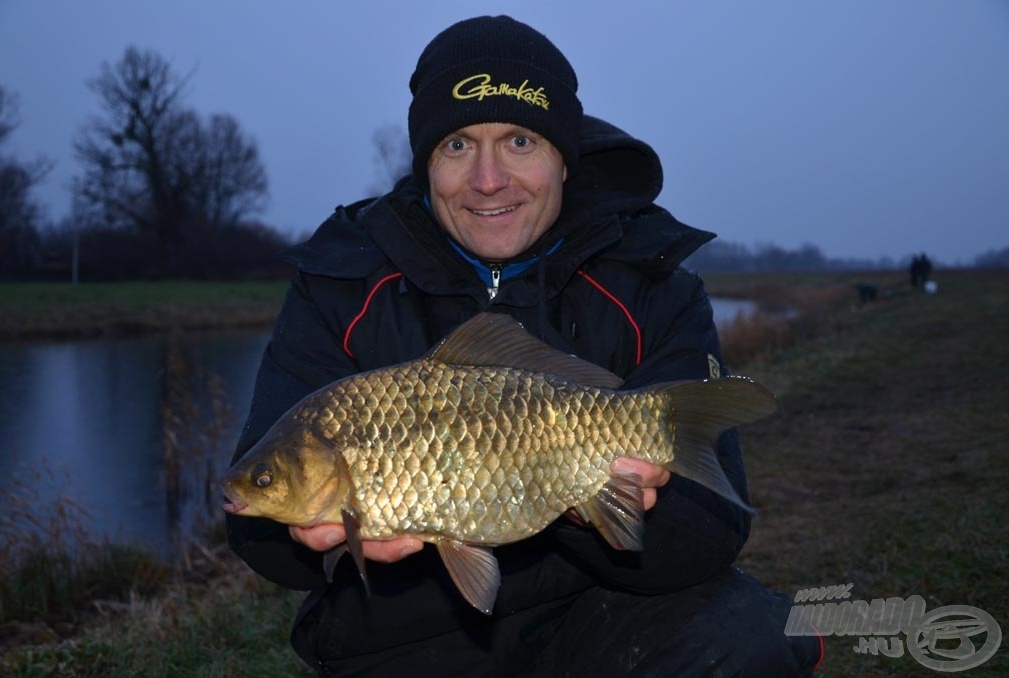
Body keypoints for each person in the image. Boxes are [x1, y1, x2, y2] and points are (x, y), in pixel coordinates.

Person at [226, 15, 822, 677]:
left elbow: (709, 538)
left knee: (747, 639)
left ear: (564, 156)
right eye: (456, 144)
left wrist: (565, 490)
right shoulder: (337, 284)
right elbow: (255, 533)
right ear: (426, 162)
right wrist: (307, 540)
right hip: (399, 634)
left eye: (518, 140)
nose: (488, 179)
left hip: (603, 608)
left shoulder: (653, 281)